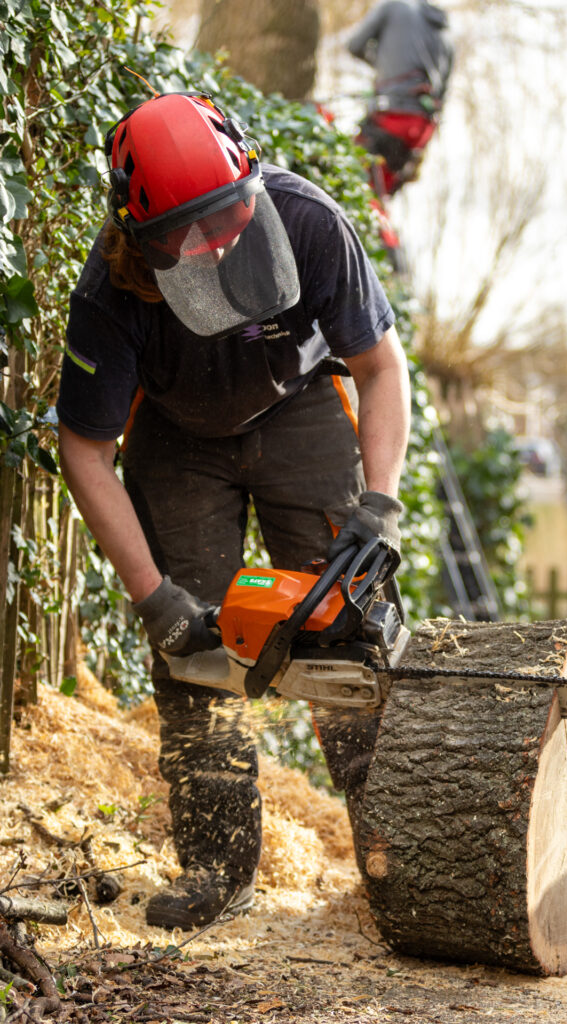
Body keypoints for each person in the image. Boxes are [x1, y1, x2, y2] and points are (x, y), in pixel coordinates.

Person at [56, 91, 411, 930]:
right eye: (190, 230)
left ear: (250, 178)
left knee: (353, 622)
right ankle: (218, 866)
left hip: (300, 406)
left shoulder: (310, 222)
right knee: (195, 652)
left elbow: (380, 367)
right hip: (176, 434)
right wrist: (153, 597)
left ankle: (399, 857)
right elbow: (85, 451)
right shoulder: (109, 297)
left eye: (228, 215)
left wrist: (381, 501)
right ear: (141, 234)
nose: (218, 240)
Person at [347, 0, 454, 196]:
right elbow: (444, 93)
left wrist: (382, 63)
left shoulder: (393, 7)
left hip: (390, 116)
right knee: (383, 191)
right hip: (422, 128)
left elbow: (355, 45)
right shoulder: (446, 33)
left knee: (356, 182)